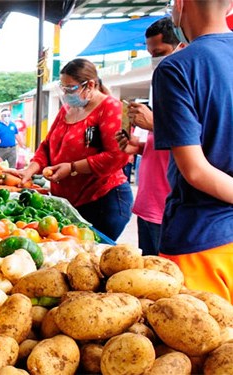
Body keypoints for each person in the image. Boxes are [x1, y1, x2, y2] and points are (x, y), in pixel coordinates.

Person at [152, 0, 233, 301]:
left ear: (180, 5)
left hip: (202, 241)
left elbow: (196, 170)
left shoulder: (177, 67)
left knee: (201, 341)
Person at [12, 58, 133, 241]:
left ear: (90, 85)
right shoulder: (69, 109)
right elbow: (47, 145)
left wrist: (73, 167)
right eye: (63, 88)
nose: (66, 93)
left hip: (103, 200)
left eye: (70, 88)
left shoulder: (114, 108)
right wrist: (30, 170)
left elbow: (118, 156)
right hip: (71, 203)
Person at [115, 17, 180, 256]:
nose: (155, 60)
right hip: (148, 203)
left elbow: (198, 145)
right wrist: (140, 146)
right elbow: (167, 148)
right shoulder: (164, 90)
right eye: (151, 53)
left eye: (159, 52)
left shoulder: (192, 90)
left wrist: (154, 125)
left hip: (167, 207)